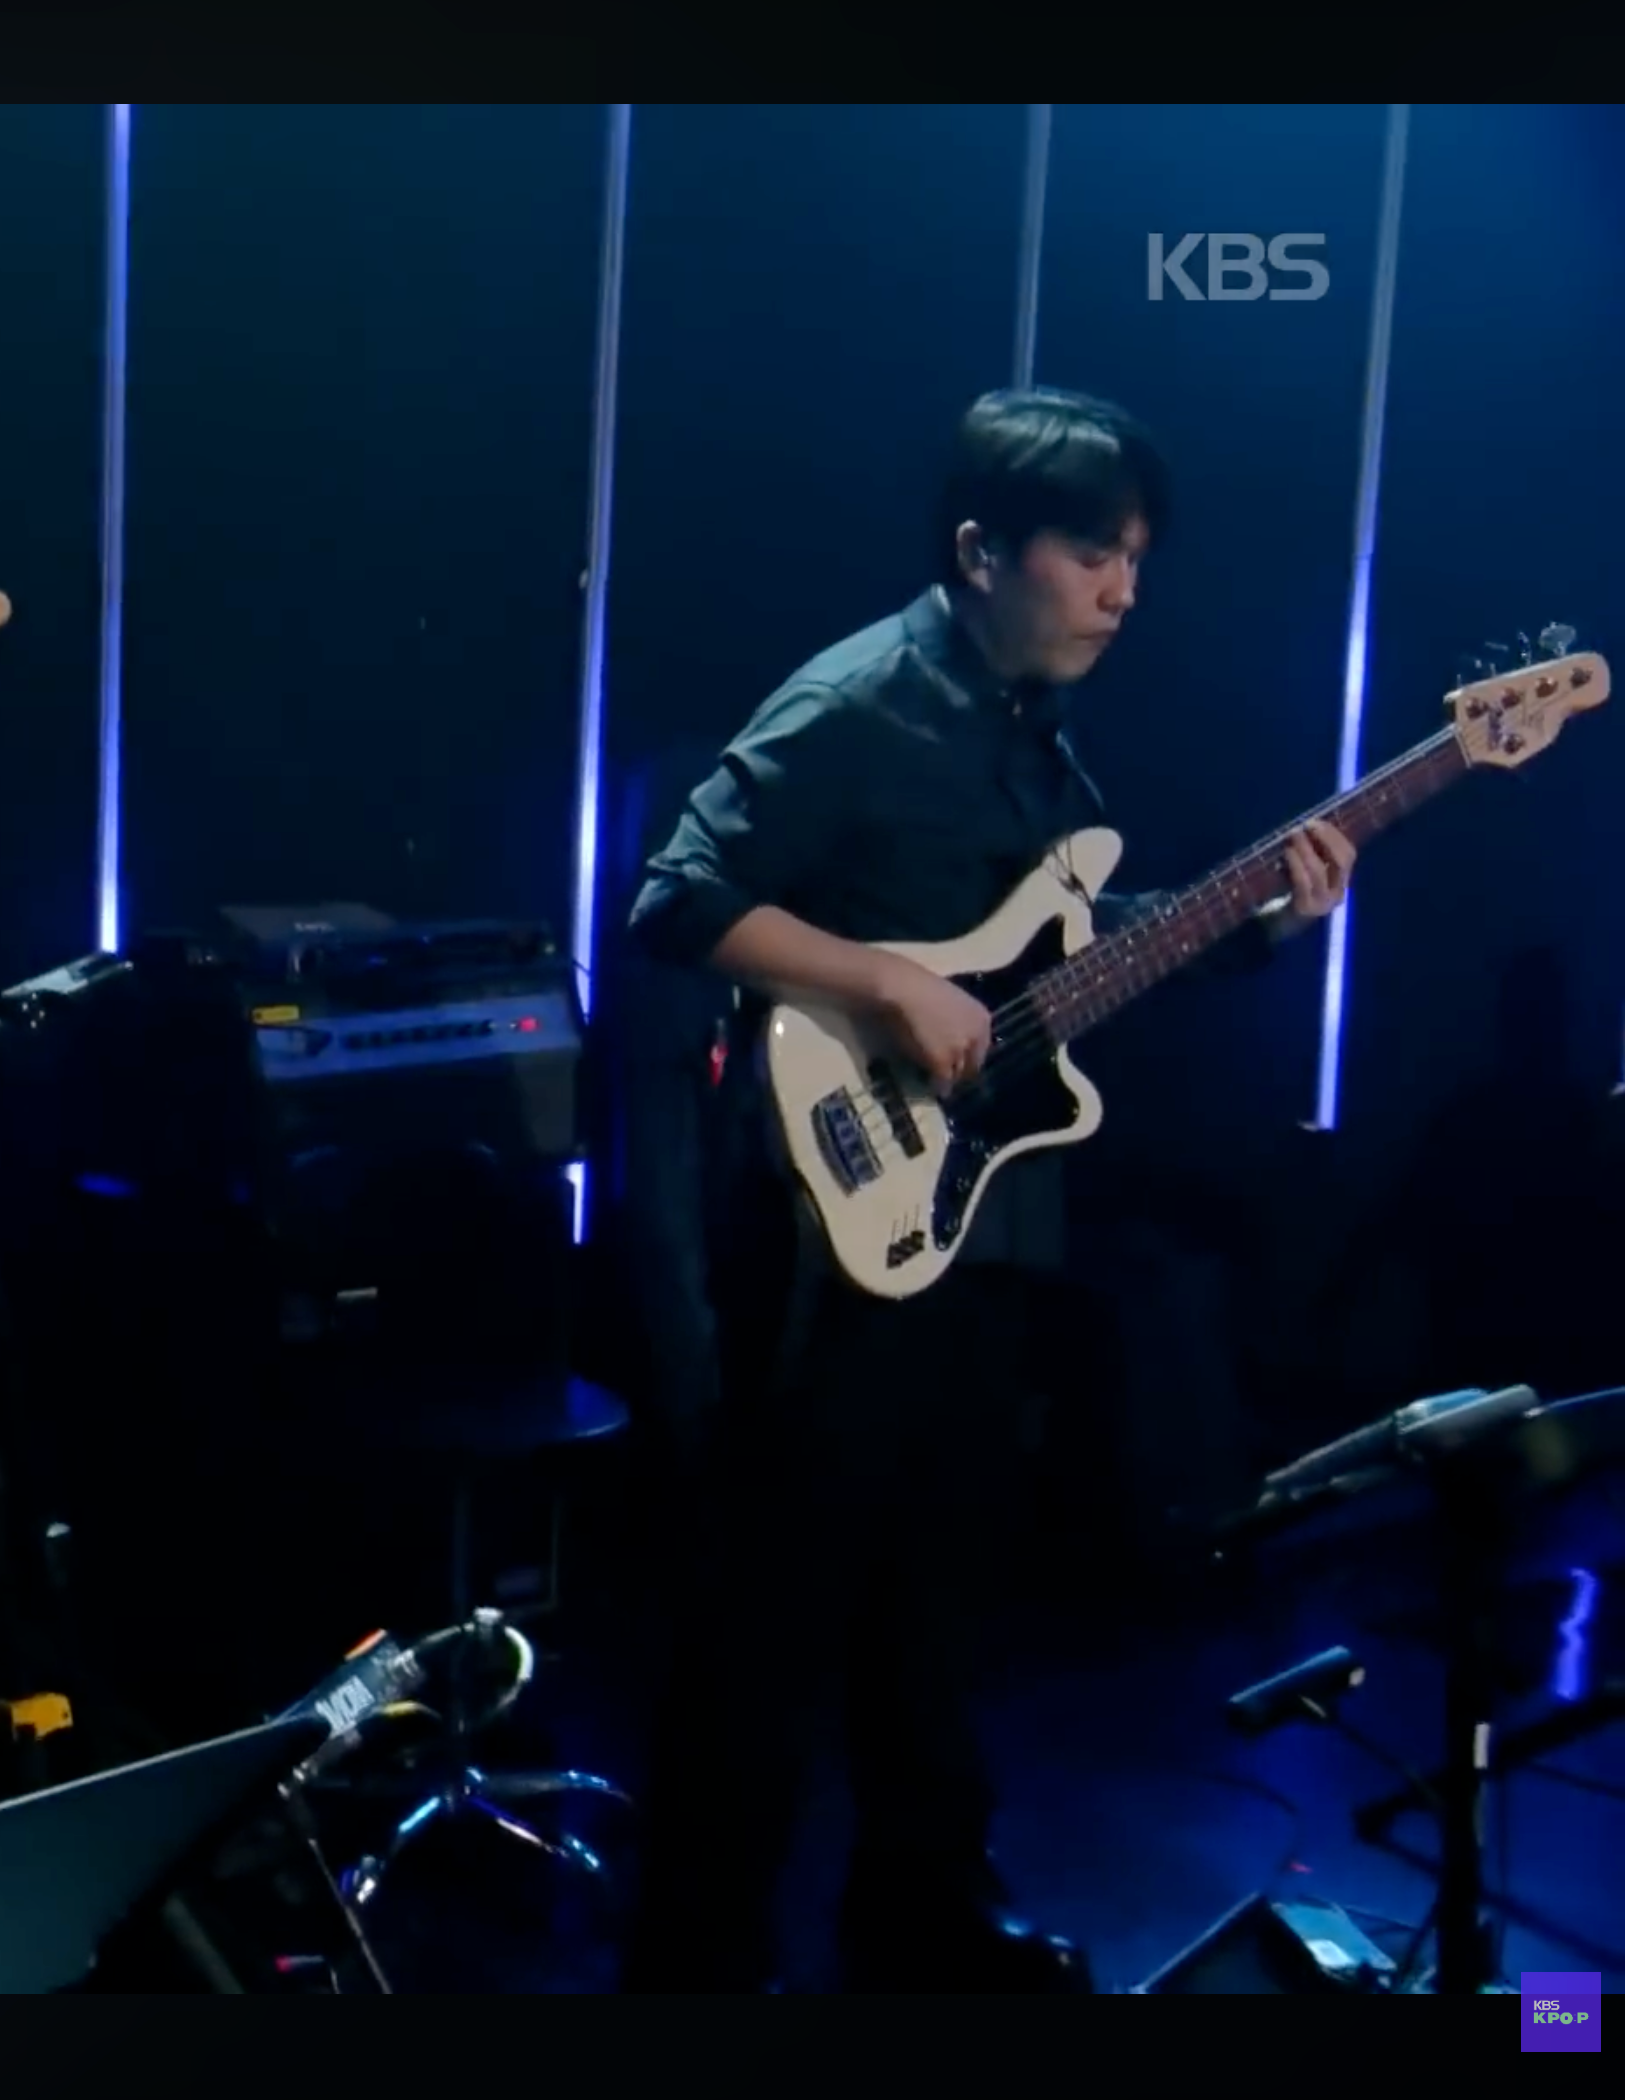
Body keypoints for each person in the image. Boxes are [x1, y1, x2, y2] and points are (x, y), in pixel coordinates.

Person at [616, 386, 1357, 1992]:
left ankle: (923, 1916)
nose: (1124, 592)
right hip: (822, 1233)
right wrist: (884, 985)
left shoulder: (1038, 732)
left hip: (978, 1225)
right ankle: (695, 1964)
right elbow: (675, 899)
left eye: (1136, 559)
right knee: (773, 1625)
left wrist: (1261, 922)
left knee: (937, 1601)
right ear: (979, 551)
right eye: (1094, 555)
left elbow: (1067, 957)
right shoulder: (859, 701)